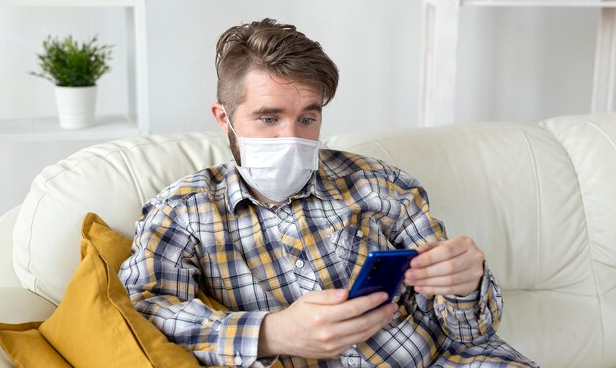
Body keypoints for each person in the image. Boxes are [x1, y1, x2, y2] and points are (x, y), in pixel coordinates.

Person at [119, 18, 537, 368]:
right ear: (223, 118)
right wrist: (271, 333)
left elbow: (470, 332)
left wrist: (466, 283)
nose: (290, 137)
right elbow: (146, 311)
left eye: (307, 118)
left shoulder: (382, 185)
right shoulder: (183, 211)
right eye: (268, 118)